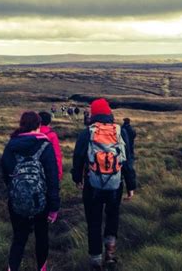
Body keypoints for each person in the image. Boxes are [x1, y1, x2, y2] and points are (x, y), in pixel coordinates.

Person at [71, 98, 136, 271]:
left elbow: (78, 158)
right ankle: (110, 254)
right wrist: (131, 185)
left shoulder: (87, 133)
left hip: (92, 185)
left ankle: (95, 261)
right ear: (109, 113)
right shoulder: (120, 131)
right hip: (116, 183)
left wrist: (77, 178)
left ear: (93, 114)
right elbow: (128, 161)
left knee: (93, 221)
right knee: (112, 216)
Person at [1, 111, 60, 271]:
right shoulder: (45, 146)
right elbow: (52, 178)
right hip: (42, 202)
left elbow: (6, 176)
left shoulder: (11, 146)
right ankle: (42, 268)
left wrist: (16, 192)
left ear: (22, 125)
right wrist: (54, 207)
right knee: (41, 237)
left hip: (16, 202)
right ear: (38, 126)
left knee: (19, 238)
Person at [39, 111, 63, 180]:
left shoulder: (32, 134)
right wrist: (59, 173)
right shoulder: (52, 135)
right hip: (49, 170)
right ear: (49, 122)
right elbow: (57, 154)